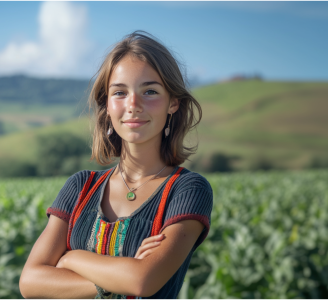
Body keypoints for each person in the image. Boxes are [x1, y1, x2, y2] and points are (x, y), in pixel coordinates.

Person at [19, 30, 213, 299]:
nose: (133, 105)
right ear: (107, 105)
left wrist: (71, 258)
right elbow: (30, 281)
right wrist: (116, 278)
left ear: (173, 103)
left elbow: (143, 281)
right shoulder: (80, 187)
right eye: (120, 92)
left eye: (150, 91)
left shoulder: (187, 190)